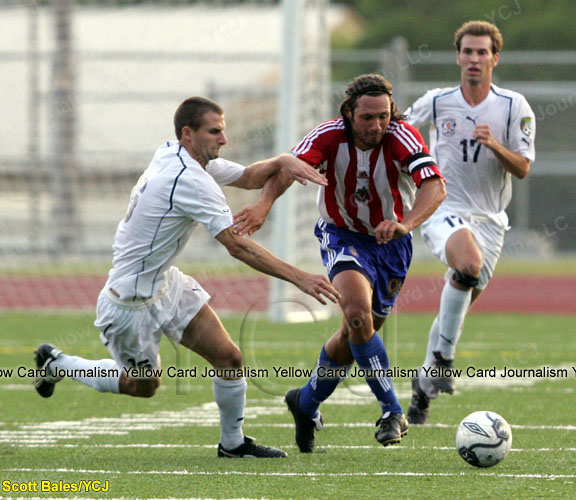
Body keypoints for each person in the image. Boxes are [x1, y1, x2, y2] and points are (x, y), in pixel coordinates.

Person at [33, 96, 340, 458]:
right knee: (143, 387)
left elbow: (249, 176)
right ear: (188, 133)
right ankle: (61, 364)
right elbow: (238, 247)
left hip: (165, 284)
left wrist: (283, 160)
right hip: (130, 303)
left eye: (223, 131)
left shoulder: (175, 154)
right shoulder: (190, 179)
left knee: (229, 358)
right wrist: (300, 277)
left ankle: (233, 444)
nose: (223, 140)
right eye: (215, 132)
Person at [239, 74, 445, 452]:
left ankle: (304, 403)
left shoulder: (402, 136)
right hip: (342, 236)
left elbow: (435, 186)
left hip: (392, 245)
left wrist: (406, 223)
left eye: (383, 116)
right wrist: (263, 206)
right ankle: (392, 411)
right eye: (367, 117)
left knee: (357, 336)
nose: (376, 125)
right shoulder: (328, 135)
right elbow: (287, 168)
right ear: (348, 113)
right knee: (357, 315)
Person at [404, 21, 536, 425]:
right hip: (442, 205)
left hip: (491, 221)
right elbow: (399, 135)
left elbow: (523, 168)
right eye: (467, 51)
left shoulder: (514, 106)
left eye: (482, 52)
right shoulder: (438, 101)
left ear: (495, 58)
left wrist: (495, 144)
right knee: (467, 265)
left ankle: (425, 382)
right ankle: (443, 358)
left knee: (458, 305)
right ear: (458, 56)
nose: (474, 59)